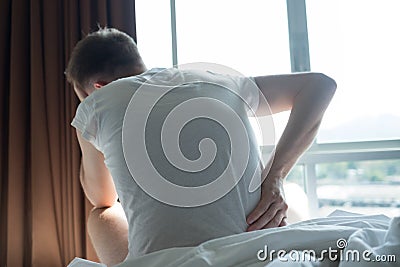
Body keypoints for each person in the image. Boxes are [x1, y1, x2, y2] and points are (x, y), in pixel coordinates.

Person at [66, 28, 336, 266]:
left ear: (98, 88)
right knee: (293, 194)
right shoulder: (218, 80)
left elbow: (101, 197)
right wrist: (275, 176)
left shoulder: (96, 106)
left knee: (102, 215)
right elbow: (320, 84)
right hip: (258, 250)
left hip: (168, 261)